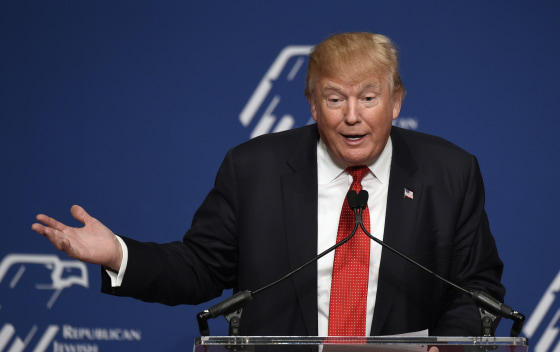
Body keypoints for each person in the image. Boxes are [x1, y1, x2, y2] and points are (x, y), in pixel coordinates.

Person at [32, 32, 505, 337]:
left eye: (368, 97)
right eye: (335, 98)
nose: (352, 116)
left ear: (396, 101)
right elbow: (200, 267)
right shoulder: (253, 167)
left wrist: (446, 351)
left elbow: (475, 289)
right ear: (313, 105)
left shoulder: (450, 172)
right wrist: (118, 253)